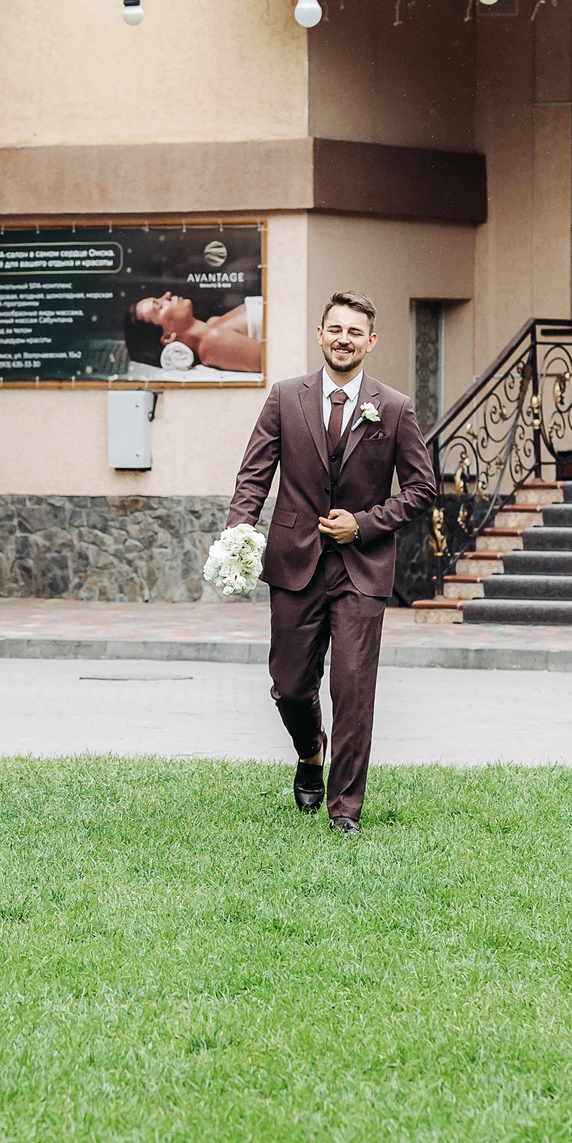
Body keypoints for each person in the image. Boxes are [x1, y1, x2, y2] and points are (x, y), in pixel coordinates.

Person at [225, 292, 436, 833]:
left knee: (352, 685)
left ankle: (345, 808)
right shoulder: (284, 397)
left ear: (371, 341)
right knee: (291, 685)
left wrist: (363, 523)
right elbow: (255, 473)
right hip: (295, 560)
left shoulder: (394, 407)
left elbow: (420, 489)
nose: (344, 339)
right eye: (335, 329)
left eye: (354, 331)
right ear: (320, 335)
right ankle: (309, 749)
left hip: (361, 569)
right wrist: (238, 534)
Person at [132, 292, 263, 374]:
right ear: (167, 336)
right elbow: (275, 363)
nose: (167, 295)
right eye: (160, 306)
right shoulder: (213, 343)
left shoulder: (213, 323)